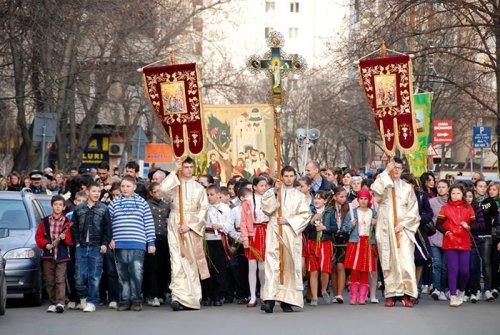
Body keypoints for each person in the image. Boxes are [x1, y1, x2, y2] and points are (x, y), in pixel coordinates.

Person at [159, 158, 210, 311]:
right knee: (176, 260)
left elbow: (204, 209)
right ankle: (177, 297)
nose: (188, 169)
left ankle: (192, 297)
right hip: (176, 222)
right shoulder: (176, 184)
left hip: (191, 225)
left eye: (190, 167)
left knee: (190, 260)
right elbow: (162, 190)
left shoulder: (199, 188)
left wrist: (190, 226)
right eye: (185, 167)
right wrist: (174, 170)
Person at [370, 158, 420, 307]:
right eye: (394, 168)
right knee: (388, 260)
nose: (397, 170)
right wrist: (385, 172)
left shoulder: (407, 188)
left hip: (403, 229)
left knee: (405, 261)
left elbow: (413, 210)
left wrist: (403, 224)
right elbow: (375, 192)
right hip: (386, 226)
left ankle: (407, 294)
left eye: (399, 168)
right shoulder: (384, 182)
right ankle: (391, 293)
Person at [260, 166, 311, 313]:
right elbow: (267, 208)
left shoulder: (299, 196)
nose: (288, 178)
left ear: (294, 177)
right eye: (286, 176)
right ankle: (269, 299)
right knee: (272, 264)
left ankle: (286, 300)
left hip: (290, 232)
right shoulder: (274, 192)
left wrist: (288, 220)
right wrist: (275, 192)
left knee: (288, 265)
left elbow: (305, 215)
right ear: (281, 177)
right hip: (274, 230)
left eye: (291, 176)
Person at [108, 176, 156, 311]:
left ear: (134, 187)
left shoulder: (142, 203)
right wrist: (110, 239)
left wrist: (151, 243)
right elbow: (108, 224)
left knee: (136, 272)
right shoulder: (114, 203)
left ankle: (136, 299)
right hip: (119, 244)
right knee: (122, 274)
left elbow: (149, 224)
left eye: (128, 186)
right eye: (122, 186)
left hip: (138, 244)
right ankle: (124, 300)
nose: (125, 189)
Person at [71, 181, 111, 312]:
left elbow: (107, 228)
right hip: (81, 246)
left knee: (94, 275)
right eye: (94, 191)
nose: (96, 194)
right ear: (87, 192)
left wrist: (105, 244)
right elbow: (74, 227)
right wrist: (76, 242)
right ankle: (83, 296)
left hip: (96, 246)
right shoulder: (79, 208)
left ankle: (92, 301)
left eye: (98, 191)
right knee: (79, 277)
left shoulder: (104, 208)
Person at [435, 184, 476, 307]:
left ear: (462, 195)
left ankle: (461, 291)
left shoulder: (468, 208)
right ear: (450, 195)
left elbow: (474, 224)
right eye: (453, 193)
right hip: (450, 242)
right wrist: (446, 232)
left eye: (458, 193)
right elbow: (438, 224)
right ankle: (453, 296)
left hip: (464, 242)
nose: (455, 196)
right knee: (453, 270)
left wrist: (468, 226)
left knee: (464, 272)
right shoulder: (445, 208)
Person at [35, 195, 72, 313]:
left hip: (61, 255)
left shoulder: (67, 222)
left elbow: (69, 240)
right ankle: (52, 302)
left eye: (60, 205)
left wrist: (64, 237)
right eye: (55, 204)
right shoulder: (45, 221)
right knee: (49, 280)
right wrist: (46, 244)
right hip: (48, 255)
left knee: (60, 279)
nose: (58, 207)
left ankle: (60, 302)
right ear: (52, 206)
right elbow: (38, 237)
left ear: (64, 207)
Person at [401, 174, 434, 303]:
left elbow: (429, 213)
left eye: (406, 183)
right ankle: (404, 289)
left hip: (418, 232)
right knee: (404, 261)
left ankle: (414, 289)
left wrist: (419, 218)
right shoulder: (396, 196)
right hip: (402, 230)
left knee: (418, 261)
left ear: (413, 184)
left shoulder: (421, 195)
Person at [342, 189, 377, 305]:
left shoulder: (373, 212)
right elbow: (344, 229)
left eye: (365, 199)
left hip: (367, 242)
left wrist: (375, 224)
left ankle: (362, 297)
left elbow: (379, 230)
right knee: (354, 269)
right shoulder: (353, 212)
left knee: (365, 270)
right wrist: (350, 225)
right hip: (355, 242)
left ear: (369, 200)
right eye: (361, 199)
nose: (363, 201)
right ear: (358, 199)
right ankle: (353, 296)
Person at [240, 175, 269, 308]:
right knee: (252, 266)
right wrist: (245, 238)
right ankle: (252, 296)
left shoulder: (269, 198)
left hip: (266, 232)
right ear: (254, 186)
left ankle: (263, 292)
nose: (264, 188)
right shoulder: (248, 202)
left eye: (265, 185)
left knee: (263, 267)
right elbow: (244, 221)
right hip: (253, 234)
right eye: (261, 185)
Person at [304, 190, 335, 306]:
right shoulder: (309, 211)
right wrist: (312, 221)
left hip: (325, 243)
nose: (317, 200)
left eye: (320, 198)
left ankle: (323, 290)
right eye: (315, 198)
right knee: (313, 271)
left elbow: (335, 228)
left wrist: (324, 228)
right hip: (312, 243)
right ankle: (315, 297)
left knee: (325, 270)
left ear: (325, 201)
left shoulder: (329, 212)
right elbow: (305, 229)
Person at [202, 185, 232, 306]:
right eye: (208, 195)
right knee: (208, 267)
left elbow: (229, 224)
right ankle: (207, 295)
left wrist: (221, 226)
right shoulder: (204, 208)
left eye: (212, 194)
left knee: (219, 268)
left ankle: (219, 295)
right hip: (207, 239)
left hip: (219, 239)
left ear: (219, 194)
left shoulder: (225, 208)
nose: (209, 197)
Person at [144, 182, 171, 307]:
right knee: (152, 268)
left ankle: (161, 293)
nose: (159, 194)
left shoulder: (166, 206)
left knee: (163, 267)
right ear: (150, 193)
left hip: (164, 239)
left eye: (161, 191)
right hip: (151, 239)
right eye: (156, 191)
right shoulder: (147, 205)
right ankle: (152, 294)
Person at [473, 179, 498, 301]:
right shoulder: (471, 201)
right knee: (476, 263)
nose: (482, 189)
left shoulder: (490, 202)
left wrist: (495, 231)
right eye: (480, 186)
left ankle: (487, 289)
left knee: (486, 262)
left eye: (484, 187)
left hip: (487, 235)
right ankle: (476, 289)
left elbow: (497, 218)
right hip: (474, 236)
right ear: (475, 187)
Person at [429, 179, 450, 301]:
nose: (441, 189)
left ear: (448, 188)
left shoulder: (452, 203)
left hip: (448, 238)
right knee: (437, 264)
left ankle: (444, 289)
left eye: (443, 187)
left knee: (445, 266)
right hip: (434, 237)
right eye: (439, 187)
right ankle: (437, 289)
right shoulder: (432, 202)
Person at [464, 188, 485, 303]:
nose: (468, 199)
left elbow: (482, 225)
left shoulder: (478, 209)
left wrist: (469, 226)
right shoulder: (460, 209)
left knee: (473, 268)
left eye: (470, 196)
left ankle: (474, 291)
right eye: (466, 196)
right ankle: (465, 291)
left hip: (474, 242)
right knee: (464, 269)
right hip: (461, 242)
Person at [331, 186, 350, 303]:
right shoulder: (330, 209)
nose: (343, 199)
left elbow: (349, 225)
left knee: (340, 266)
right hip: (332, 238)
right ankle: (334, 293)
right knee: (332, 267)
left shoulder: (348, 209)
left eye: (345, 197)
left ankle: (340, 294)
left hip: (343, 239)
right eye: (341, 196)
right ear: (335, 197)